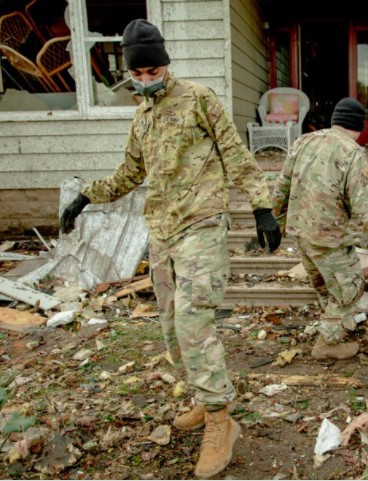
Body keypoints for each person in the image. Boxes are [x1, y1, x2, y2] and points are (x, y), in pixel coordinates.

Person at [59, 19, 281, 478]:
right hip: (161, 231)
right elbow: (130, 173)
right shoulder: (140, 116)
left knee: (194, 320)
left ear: (165, 63)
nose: (144, 80)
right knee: (170, 327)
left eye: (152, 70)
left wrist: (262, 206)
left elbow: (236, 154)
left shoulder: (199, 99)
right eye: (136, 74)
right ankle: (205, 397)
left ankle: (221, 419)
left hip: (201, 224)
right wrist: (86, 196)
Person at [272, 98, 368, 360]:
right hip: (329, 238)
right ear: (359, 126)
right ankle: (327, 343)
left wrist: (276, 222)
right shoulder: (352, 152)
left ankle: (334, 327)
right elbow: (367, 208)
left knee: (325, 286)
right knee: (350, 288)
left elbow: (282, 185)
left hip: (301, 233)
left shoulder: (304, 141)